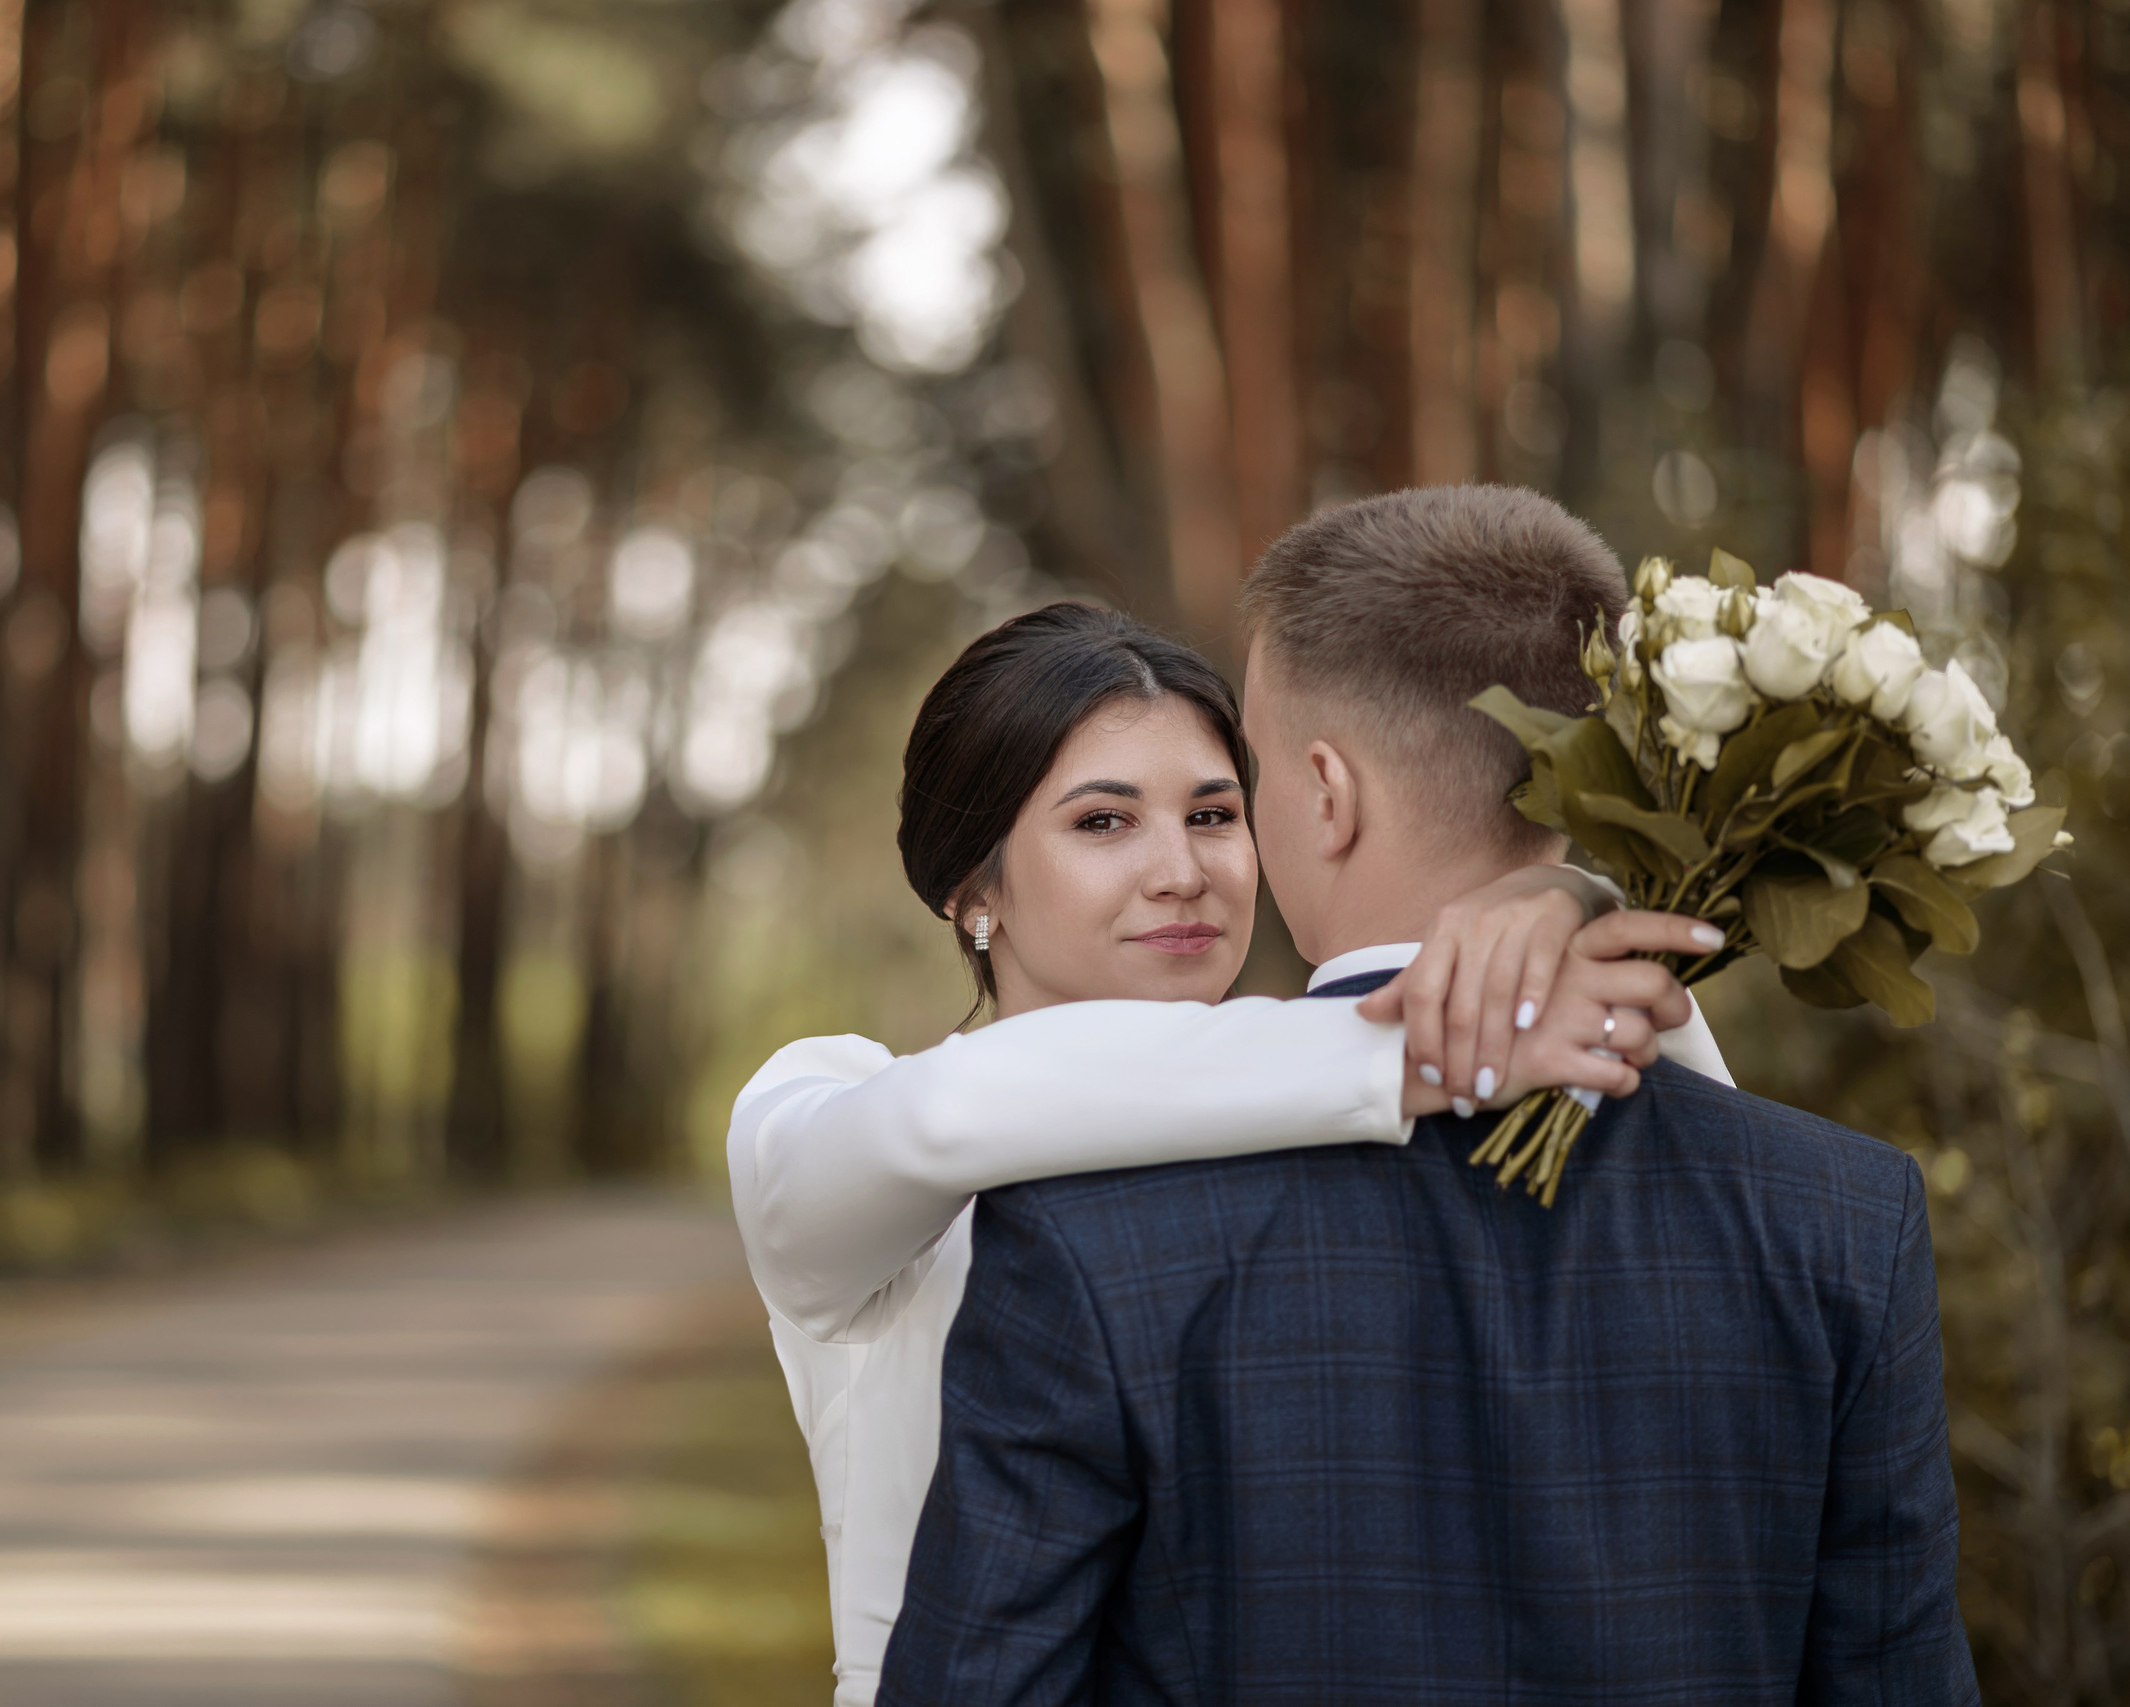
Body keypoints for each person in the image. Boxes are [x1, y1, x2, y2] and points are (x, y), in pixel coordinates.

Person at [876, 487, 1978, 1705]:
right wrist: (1583, 893)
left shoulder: (1090, 1230)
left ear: (1323, 794)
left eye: (1228, 791)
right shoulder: (1844, 1221)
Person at [729, 600, 1731, 1707]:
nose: (1182, 873)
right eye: (1103, 823)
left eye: (1213, 814)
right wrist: (1450, 1027)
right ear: (973, 892)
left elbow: (1709, 1183)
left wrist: (1564, 902)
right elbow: (947, 1115)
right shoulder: (822, 1104)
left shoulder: (1305, 1117)